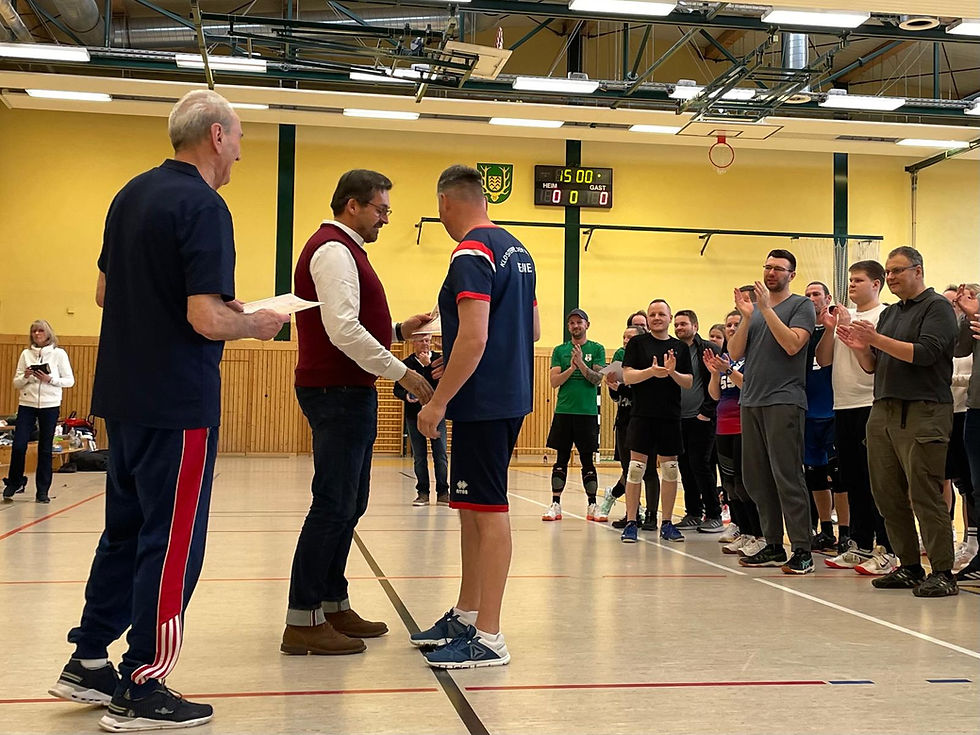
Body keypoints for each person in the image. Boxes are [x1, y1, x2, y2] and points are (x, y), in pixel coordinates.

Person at [49, 90, 289, 731]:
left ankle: (89, 660)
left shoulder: (130, 194)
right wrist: (257, 323)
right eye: (238, 137)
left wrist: (216, 313)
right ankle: (144, 681)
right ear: (215, 135)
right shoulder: (206, 206)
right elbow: (202, 315)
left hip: (122, 395)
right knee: (174, 540)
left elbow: (105, 291)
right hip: (177, 400)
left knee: (125, 531)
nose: (240, 149)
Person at [283, 169, 434, 656]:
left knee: (350, 502)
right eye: (381, 209)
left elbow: (353, 322)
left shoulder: (343, 250)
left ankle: (331, 602)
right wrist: (404, 373)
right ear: (353, 205)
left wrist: (395, 327)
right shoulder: (332, 250)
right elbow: (342, 330)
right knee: (333, 504)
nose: (385, 218)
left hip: (347, 390)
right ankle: (301, 618)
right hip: (337, 391)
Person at [412, 164, 538, 668]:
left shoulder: (470, 250)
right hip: (504, 394)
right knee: (471, 509)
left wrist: (439, 400)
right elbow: (529, 329)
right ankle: (468, 613)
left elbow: (475, 334)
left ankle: (490, 635)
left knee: (489, 512)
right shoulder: (518, 250)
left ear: (445, 202)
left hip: (482, 403)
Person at [837, 246, 958, 597]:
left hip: (924, 409)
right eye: (887, 272)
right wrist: (861, 346)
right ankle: (907, 565)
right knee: (886, 493)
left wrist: (874, 338)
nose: (890, 277)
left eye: (896, 271)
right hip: (883, 410)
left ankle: (943, 571)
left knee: (924, 492)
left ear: (918, 271)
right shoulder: (891, 315)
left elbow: (925, 354)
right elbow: (873, 366)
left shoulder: (937, 308)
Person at [727, 249, 816, 574]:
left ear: (791, 274)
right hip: (751, 400)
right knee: (756, 479)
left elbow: (793, 344)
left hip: (784, 400)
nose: (770, 272)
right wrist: (749, 316)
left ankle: (803, 550)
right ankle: (774, 545)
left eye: (778, 268)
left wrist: (766, 309)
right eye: (767, 267)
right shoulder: (756, 312)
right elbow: (735, 353)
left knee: (787, 476)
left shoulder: (801, 306)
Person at [816, 261, 895, 574]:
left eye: (859, 280)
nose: (851, 285)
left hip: (871, 403)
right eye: (850, 280)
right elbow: (823, 360)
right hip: (843, 405)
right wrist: (830, 328)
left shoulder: (884, 315)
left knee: (878, 481)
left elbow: (873, 364)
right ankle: (860, 544)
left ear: (876, 284)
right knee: (853, 480)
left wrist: (856, 336)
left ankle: (887, 547)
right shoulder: (842, 316)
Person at [620, 299, 693, 543]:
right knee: (635, 469)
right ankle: (631, 521)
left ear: (669, 318)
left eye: (661, 314)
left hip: (669, 416)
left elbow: (689, 382)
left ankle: (667, 522)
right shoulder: (638, 343)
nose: (656, 317)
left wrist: (671, 372)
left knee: (670, 469)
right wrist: (651, 372)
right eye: (652, 314)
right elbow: (627, 376)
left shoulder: (679, 348)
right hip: (642, 415)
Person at [703, 315, 765, 558]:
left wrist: (728, 369)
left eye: (736, 324)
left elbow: (749, 386)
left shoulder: (752, 357)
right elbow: (715, 395)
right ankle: (744, 532)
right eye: (728, 324)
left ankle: (758, 534)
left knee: (745, 483)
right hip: (723, 427)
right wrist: (715, 373)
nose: (731, 328)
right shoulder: (725, 359)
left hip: (744, 426)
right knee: (729, 486)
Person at [542, 309, 605, 521]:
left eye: (579, 322)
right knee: (561, 458)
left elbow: (597, 379)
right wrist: (572, 367)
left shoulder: (597, 348)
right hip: (564, 411)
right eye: (572, 323)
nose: (575, 326)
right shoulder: (560, 350)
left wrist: (582, 364)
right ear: (568, 327)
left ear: (587, 324)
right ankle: (555, 505)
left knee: (587, 459)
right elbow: (554, 382)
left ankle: (592, 505)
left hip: (586, 413)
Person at [3, 320, 74, 504]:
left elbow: (69, 380)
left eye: (40, 330)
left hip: (50, 404)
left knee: (45, 448)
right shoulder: (26, 354)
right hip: (27, 403)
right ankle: (15, 481)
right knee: (19, 445)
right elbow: (16, 383)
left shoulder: (59, 354)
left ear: (48, 333)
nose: (37, 334)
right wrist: (26, 376)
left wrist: (50, 379)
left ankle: (42, 490)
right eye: (34, 331)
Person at [600, 320, 659, 528]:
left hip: (645, 419)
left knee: (649, 470)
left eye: (630, 337)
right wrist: (613, 387)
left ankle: (652, 515)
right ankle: (632, 513)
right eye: (624, 337)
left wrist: (624, 388)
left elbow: (645, 392)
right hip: (625, 421)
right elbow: (618, 397)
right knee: (629, 470)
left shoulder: (648, 362)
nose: (626, 341)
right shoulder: (623, 361)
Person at [672, 309, 723, 533]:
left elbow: (718, 383)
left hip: (701, 417)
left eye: (684, 324)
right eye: (677, 325)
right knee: (684, 466)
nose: (679, 328)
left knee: (701, 465)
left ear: (695, 326)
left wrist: (707, 412)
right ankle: (692, 512)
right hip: (678, 418)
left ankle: (714, 514)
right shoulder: (673, 351)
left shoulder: (710, 349)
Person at [803, 281, 840, 552]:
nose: (811, 298)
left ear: (827, 298)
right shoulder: (801, 332)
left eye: (816, 294)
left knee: (840, 476)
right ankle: (825, 529)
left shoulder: (838, 329)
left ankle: (847, 532)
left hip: (835, 410)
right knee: (814, 475)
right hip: (807, 412)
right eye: (807, 295)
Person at [942, 285, 977, 570]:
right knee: (960, 481)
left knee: (969, 482)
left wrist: (954, 381)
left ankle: (972, 539)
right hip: (950, 413)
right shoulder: (956, 330)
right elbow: (958, 350)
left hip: (967, 409)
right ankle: (964, 540)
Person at [394, 334, 449, 507]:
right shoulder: (406, 364)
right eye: (421, 341)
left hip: (436, 416)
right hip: (413, 416)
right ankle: (422, 493)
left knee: (440, 454)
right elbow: (397, 389)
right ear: (413, 343)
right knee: (419, 456)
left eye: (427, 340)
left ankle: (443, 493)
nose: (425, 344)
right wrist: (406, 396)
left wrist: (427, 367)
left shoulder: (439, 361)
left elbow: (443, 385)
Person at [953, 283, 980, 584]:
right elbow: (959, 349)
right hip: (975, 408)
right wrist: (966, 315)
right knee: (976, 486)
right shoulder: (975, 315)